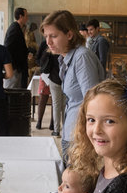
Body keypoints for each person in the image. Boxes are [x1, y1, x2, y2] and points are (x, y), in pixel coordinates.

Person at [41, 10, 105, 161]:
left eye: (53, 36)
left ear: (69, 35)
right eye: (46, 37)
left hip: (80, 137)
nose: (48, 42)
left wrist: (84, 140)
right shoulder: (66, 58)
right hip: (71, 131)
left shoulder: (81, 57)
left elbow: (92, 102)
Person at [4, 7, 29, 88]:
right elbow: (8, 48)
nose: (27, 18)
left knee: (17, 93)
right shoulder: (14, 28)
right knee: (12, 92)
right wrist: (12, 67)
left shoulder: (17, 28)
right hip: (15, 68)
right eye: (26, 16)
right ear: (21, 16)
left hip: (17, 67)